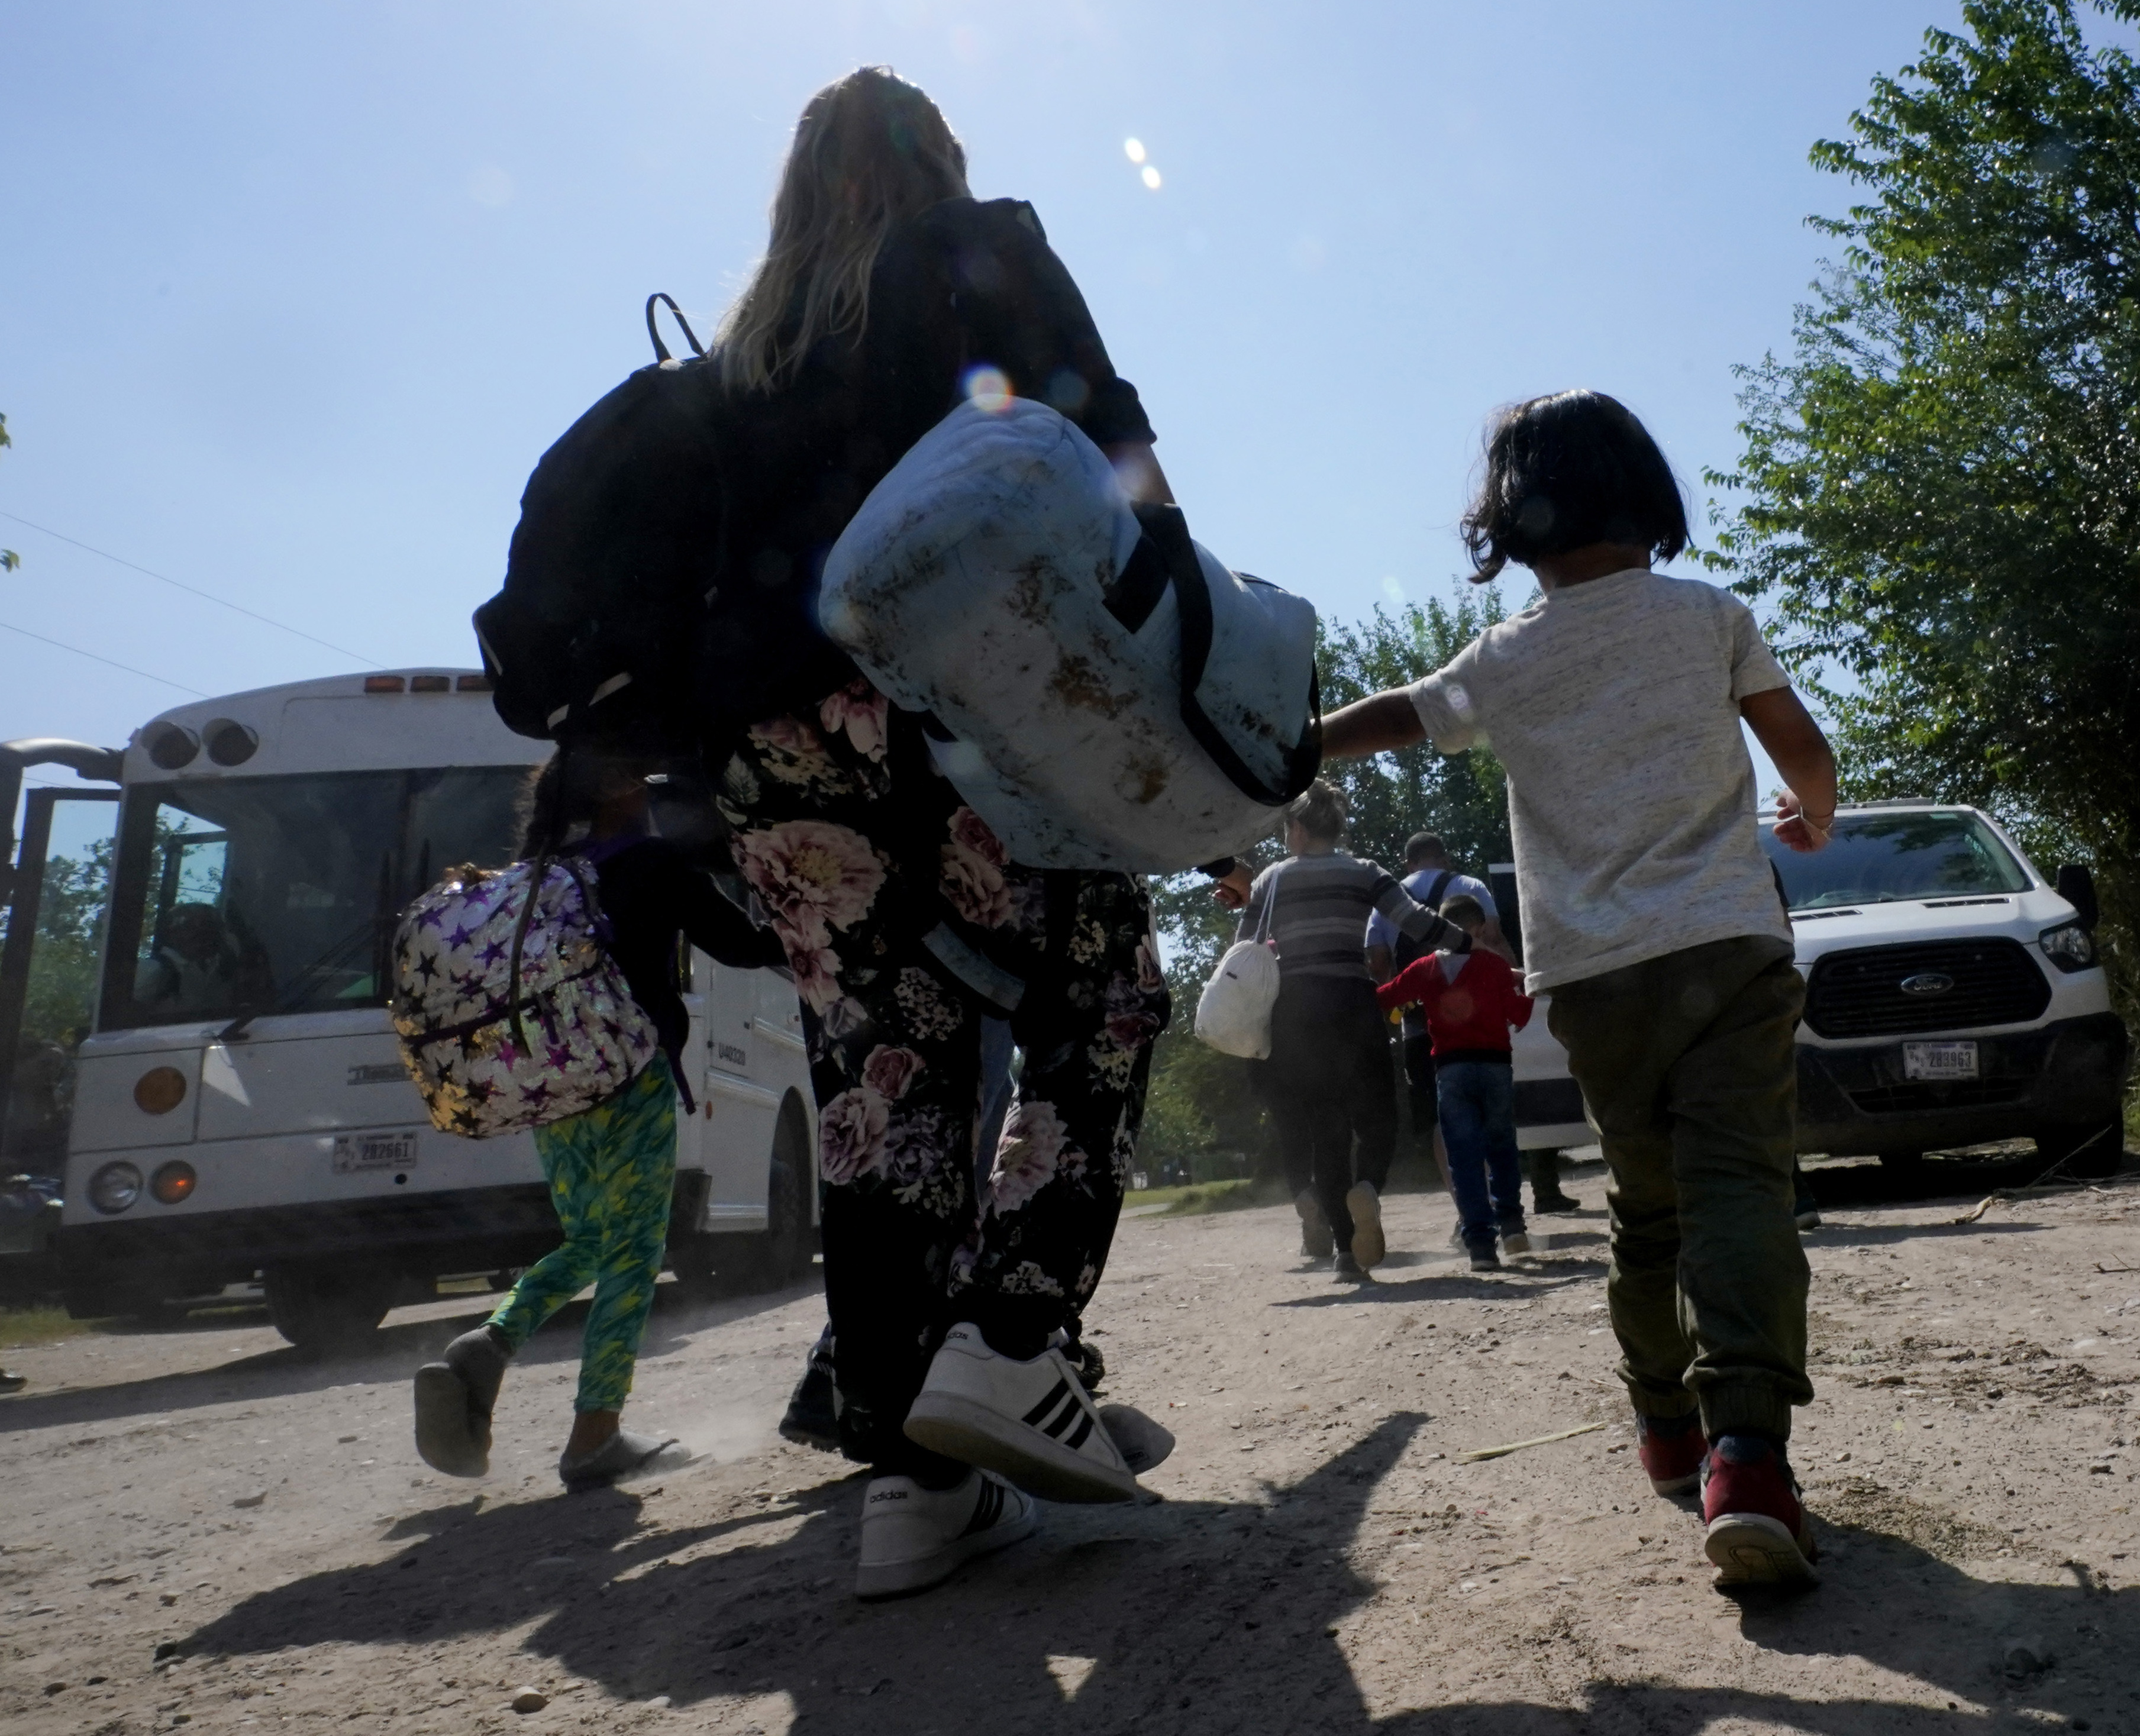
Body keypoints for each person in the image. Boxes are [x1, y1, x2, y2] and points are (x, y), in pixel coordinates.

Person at [701, 68, 1174, 1599]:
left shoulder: (743, 355)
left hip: (771, 756)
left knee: (878, 1080)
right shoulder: (981, 249)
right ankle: (1018, 1336)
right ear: (941, 163)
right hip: (952, 706)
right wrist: (1173, 645)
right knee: (1097, 999)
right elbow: (1119, 464)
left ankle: (914, 1486)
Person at [1315, 389, 1839, 1592]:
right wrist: (1813, 812)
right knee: (1741, 1192)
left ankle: (1666, 1428)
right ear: (1650, 496)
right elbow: (1797, 745)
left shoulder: (1506, 659)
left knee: (1647, 1208)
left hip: (1597, 980)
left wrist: (1291, 742)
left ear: (1510, 518)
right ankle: (1748, 1460)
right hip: (1727, 949)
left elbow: (1401, 717)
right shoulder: (1709, 617)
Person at [412, 746, 785, 1490]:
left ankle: (489, 1345)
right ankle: (595, 1435)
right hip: (631, 1078)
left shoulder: (542, 878)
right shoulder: (652, 865)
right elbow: (745, 946)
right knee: (633, 1254)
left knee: (588, 1239)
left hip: (556, 1089)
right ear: (616, 786)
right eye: (634, 771)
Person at [1234, 780, 1470, 1281]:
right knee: (1380, 1112)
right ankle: (1368, 1187)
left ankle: (1345, 1254)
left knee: (1327, 1129)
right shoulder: (1366, 872)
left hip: (1296, 1012)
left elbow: (1245, 951)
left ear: (1296, 829)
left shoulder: (1271, 881)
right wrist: (1467, 942)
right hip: (1352, 1001)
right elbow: (1416, 922)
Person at [1375, 893, 1535, 1270]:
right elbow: (1518, 1014)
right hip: (1495, 1067)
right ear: (1479, 929)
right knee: (1502, 1148)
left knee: (1463, 1157)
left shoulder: (1424, 968)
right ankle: (1512, 1227)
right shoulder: (1494, 966)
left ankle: (1480, 1246)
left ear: (1436, 932)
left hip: (1451, 1070)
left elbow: (1384, 998)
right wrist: (1527, 989)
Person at [1363, 833, 1498, 1206]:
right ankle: (1495, 1198)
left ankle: (1467, 1205)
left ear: (1408, 863)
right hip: (1478, 1019)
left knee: (1441, 1115)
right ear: (1445, 858)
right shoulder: (1470, 887)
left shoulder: (1385, 902)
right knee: (1484, 1102)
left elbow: (1377, 965)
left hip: (1420, 1025)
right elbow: (1495, 943)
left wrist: (1394, 1004)